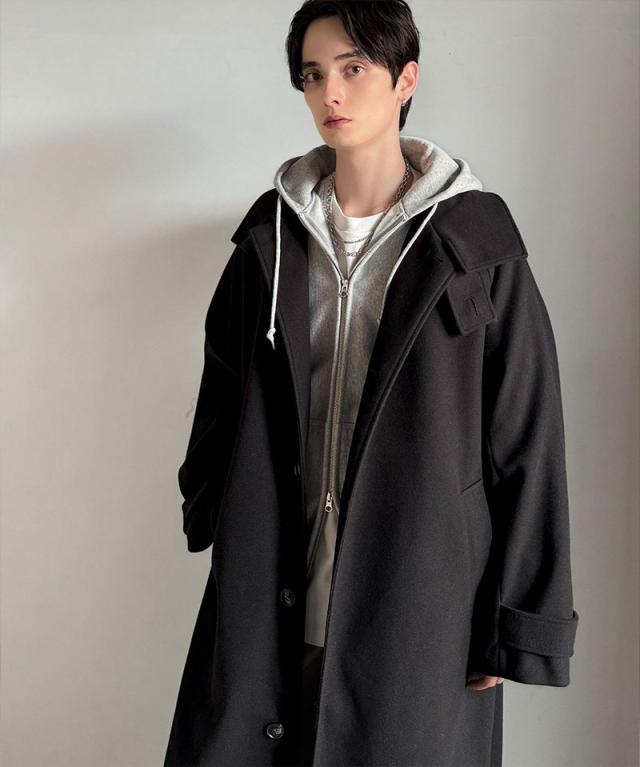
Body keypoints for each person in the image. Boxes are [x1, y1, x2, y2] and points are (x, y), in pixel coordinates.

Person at [164, 2, 579, 766]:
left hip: (419, 605)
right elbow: (220, 388)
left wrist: (516, 617)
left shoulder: (475, 246)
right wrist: (212, 503)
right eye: (312, 74)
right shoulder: (270, 238)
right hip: (272, 594)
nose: (331, 92)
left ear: (405, 79)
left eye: (353, 68)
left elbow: (527, 435)